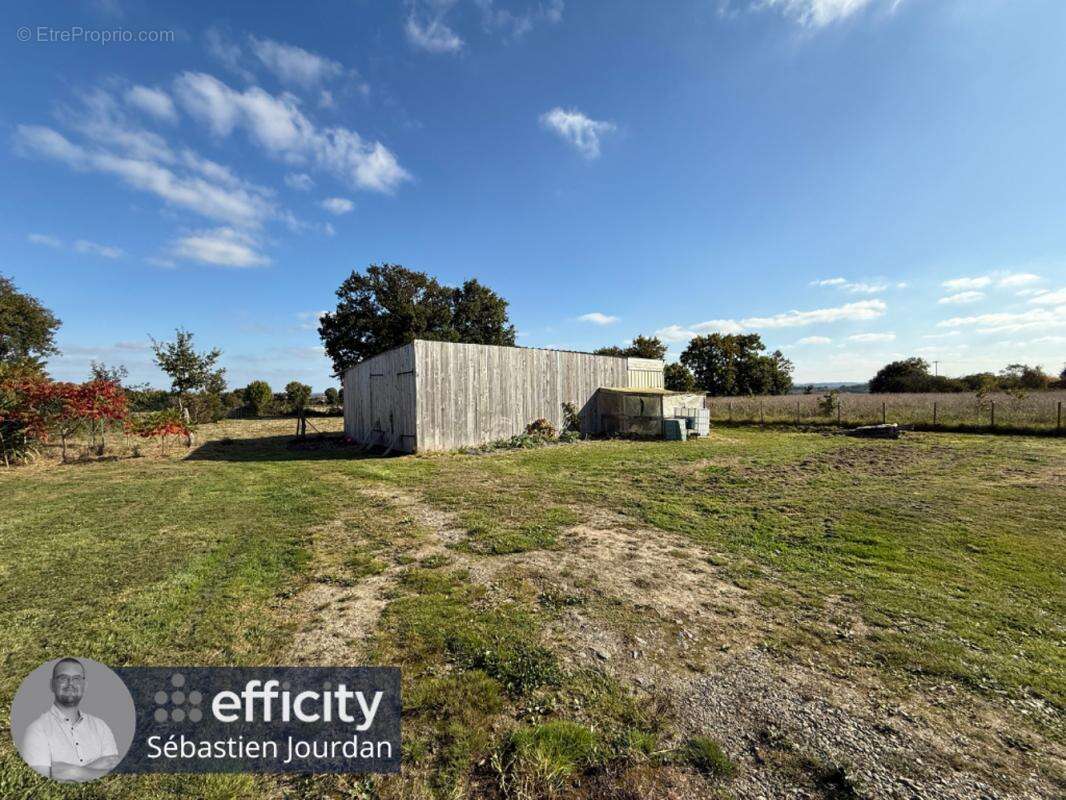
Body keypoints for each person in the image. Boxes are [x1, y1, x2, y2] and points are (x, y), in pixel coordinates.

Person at [20, 658, 121, 782]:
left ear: (85, 685)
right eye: (63, 678)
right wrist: (97, 768)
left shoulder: (101, 726)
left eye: (77, 679)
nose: (70, 684)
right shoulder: (36, 730)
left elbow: (114, 769)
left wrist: (71, 772)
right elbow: (41, 783)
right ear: (52, 684)